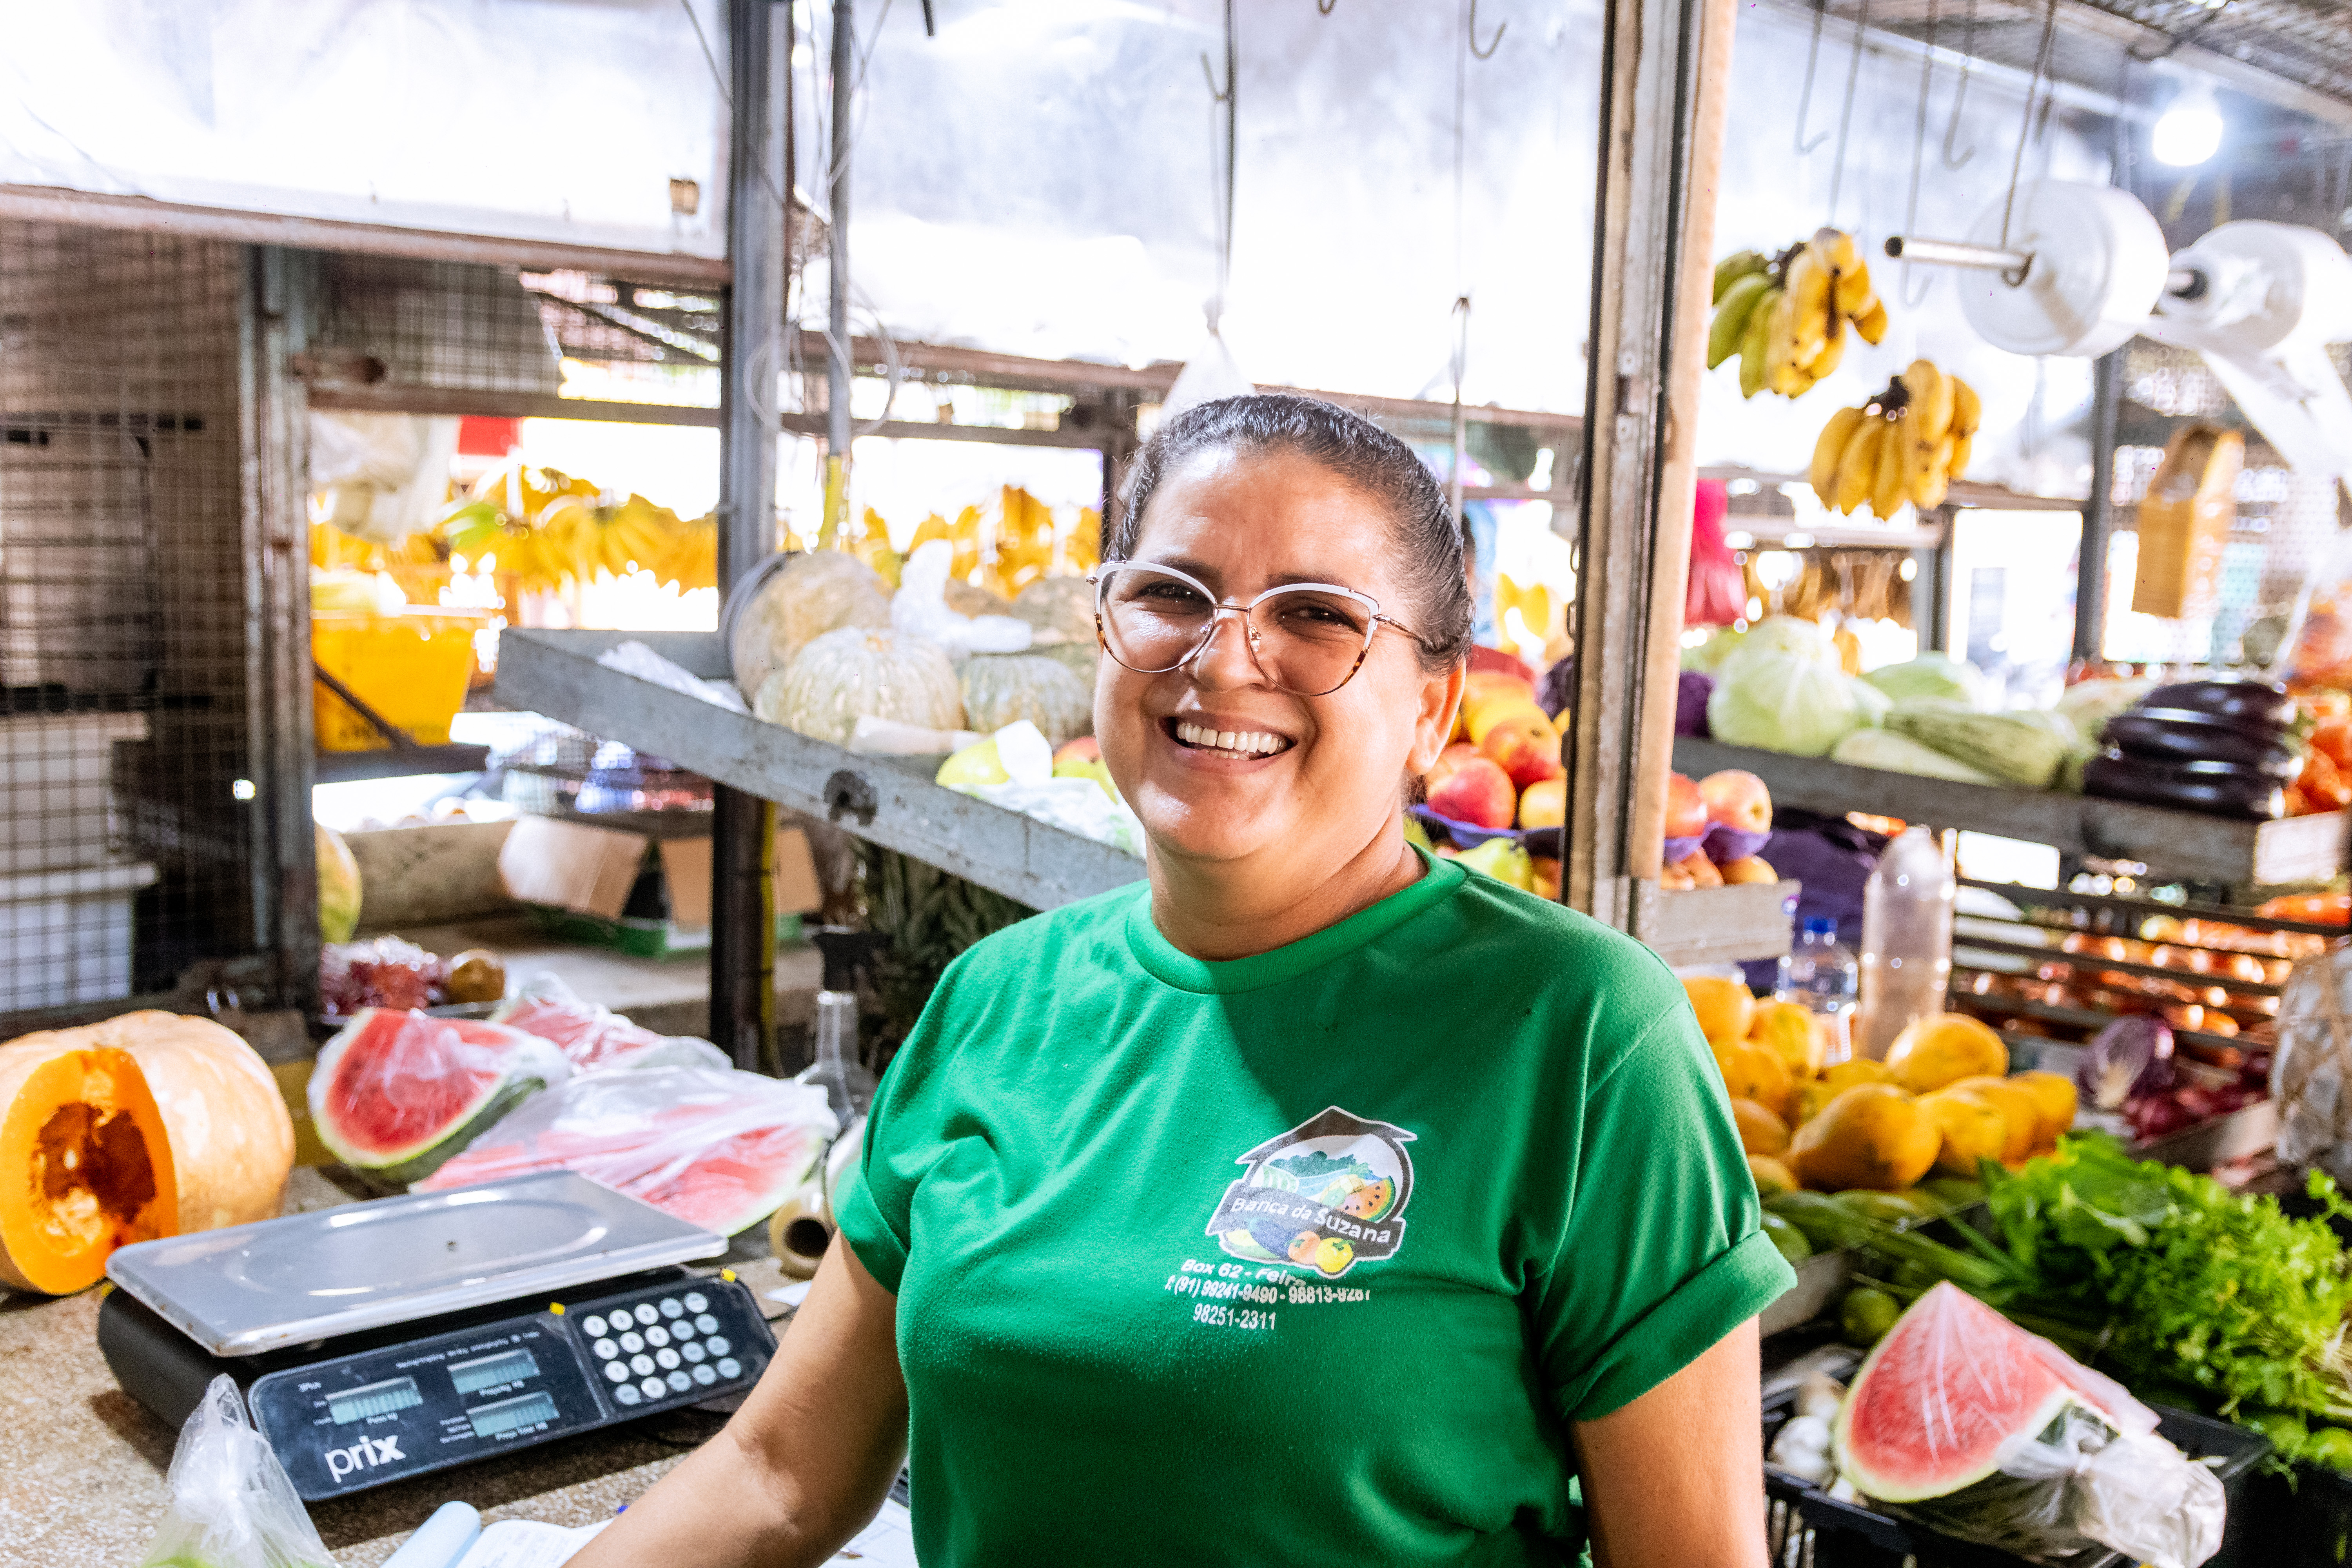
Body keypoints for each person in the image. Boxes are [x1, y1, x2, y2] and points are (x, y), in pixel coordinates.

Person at [571, 394, 1794, 1567]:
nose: (1223, 659)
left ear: (1433, 710)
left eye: (1315, 614)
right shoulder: (994, 1002)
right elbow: (779, 1477)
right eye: (1172, 595)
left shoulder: (1582, 1033)